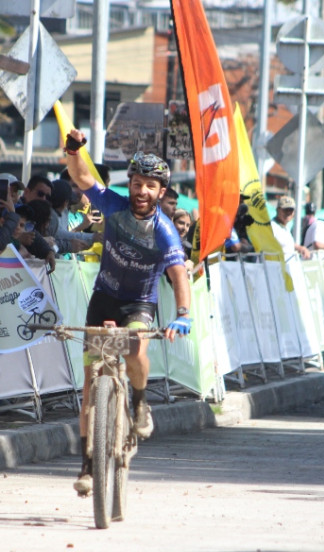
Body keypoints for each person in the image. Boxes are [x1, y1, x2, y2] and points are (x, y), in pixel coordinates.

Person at [63, 129, 191, 497]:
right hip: (104, 297)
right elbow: (83, 177)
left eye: (150, 186)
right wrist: (73, 151)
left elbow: (178, 274)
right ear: (130, 184)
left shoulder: (165, 231)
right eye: (136, 183)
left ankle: (139, 401)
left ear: (161, 192)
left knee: (135, 348)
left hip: (139, 302)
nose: (142, 191)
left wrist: (183, 313)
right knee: (90, 384)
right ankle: (87, 465)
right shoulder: (114, 207)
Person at [270, 195, 310, 260]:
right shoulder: (271, 226)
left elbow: (286, 244)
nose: (288, 213)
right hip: (274, 267)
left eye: (291, 210)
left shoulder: (285, 227)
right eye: (285, 210)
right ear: (278, 210)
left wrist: (300, 248)